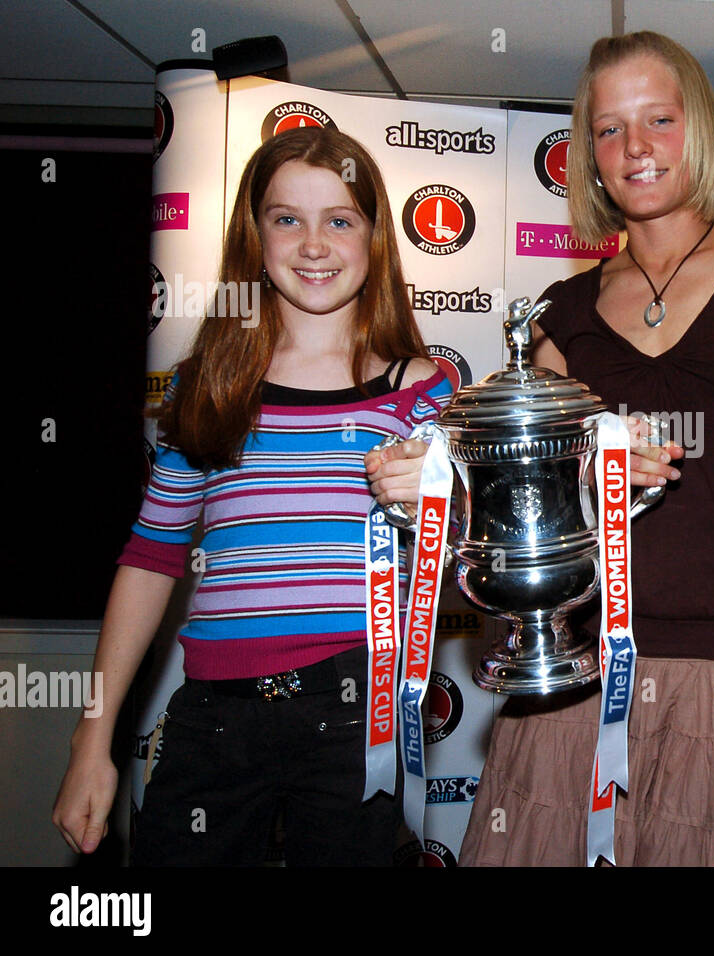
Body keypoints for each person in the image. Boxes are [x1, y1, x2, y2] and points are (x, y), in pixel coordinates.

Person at [367, 30, 714, 866]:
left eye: (659, 119)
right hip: (577, 683)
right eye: (609, 129)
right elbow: (523, 497)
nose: (635, 148)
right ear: (588, 154)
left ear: (703, 132)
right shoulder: (561, 311)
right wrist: (432, 486)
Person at [52, 127, 450, 865]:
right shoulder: (205, 386)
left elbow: (458, 571)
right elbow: (149, 559)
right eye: (286, 218)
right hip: (213, 722)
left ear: (373, 237)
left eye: (340, 219)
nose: (313, 243)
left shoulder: (423, 395)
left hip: (357, 715)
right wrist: (92, 738)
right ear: (255, 237)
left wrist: (436, 508)